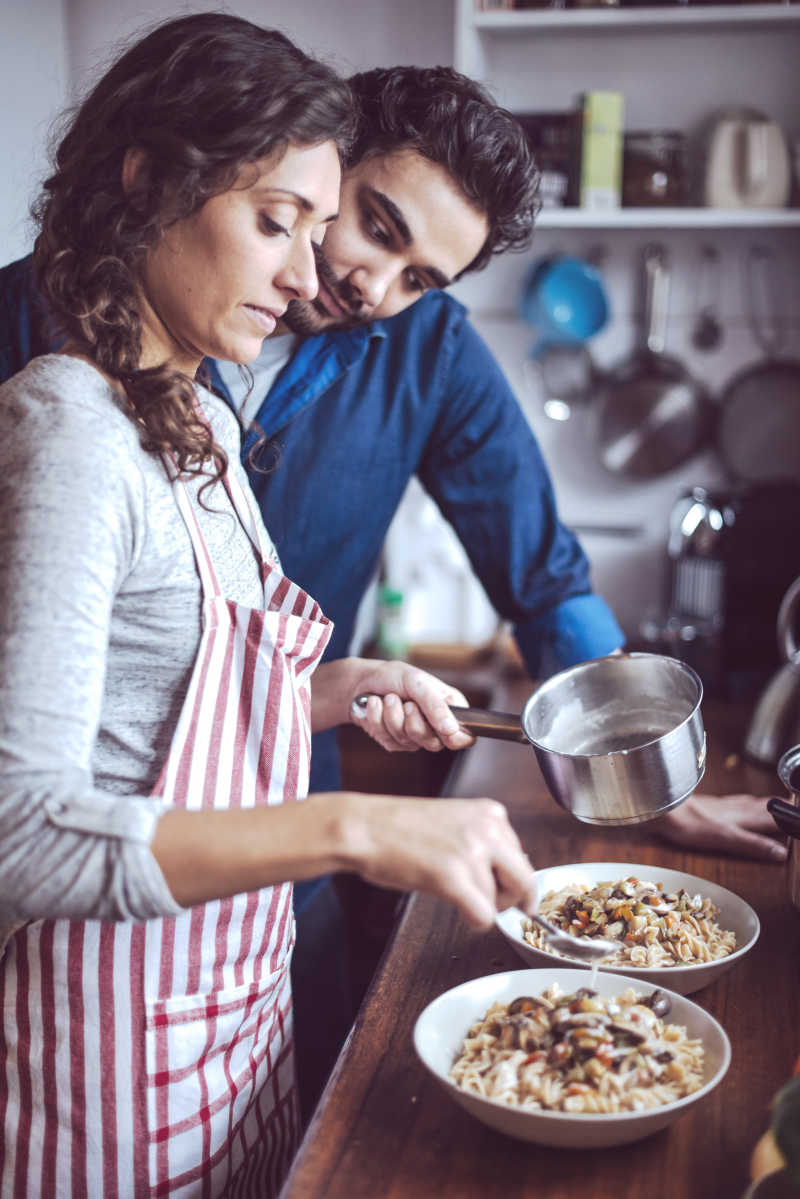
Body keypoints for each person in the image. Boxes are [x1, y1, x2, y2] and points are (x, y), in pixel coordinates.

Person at [0, 15, 540, 1196]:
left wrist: (335, 690)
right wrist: (357, 825)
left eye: (311, 225)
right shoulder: (69, 426)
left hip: (220, 1027)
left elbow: (161, 696)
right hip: (106, 1051)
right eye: (278, 222)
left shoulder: (198, 413)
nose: (317, 278)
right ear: (151, 182)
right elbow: (22, 831)